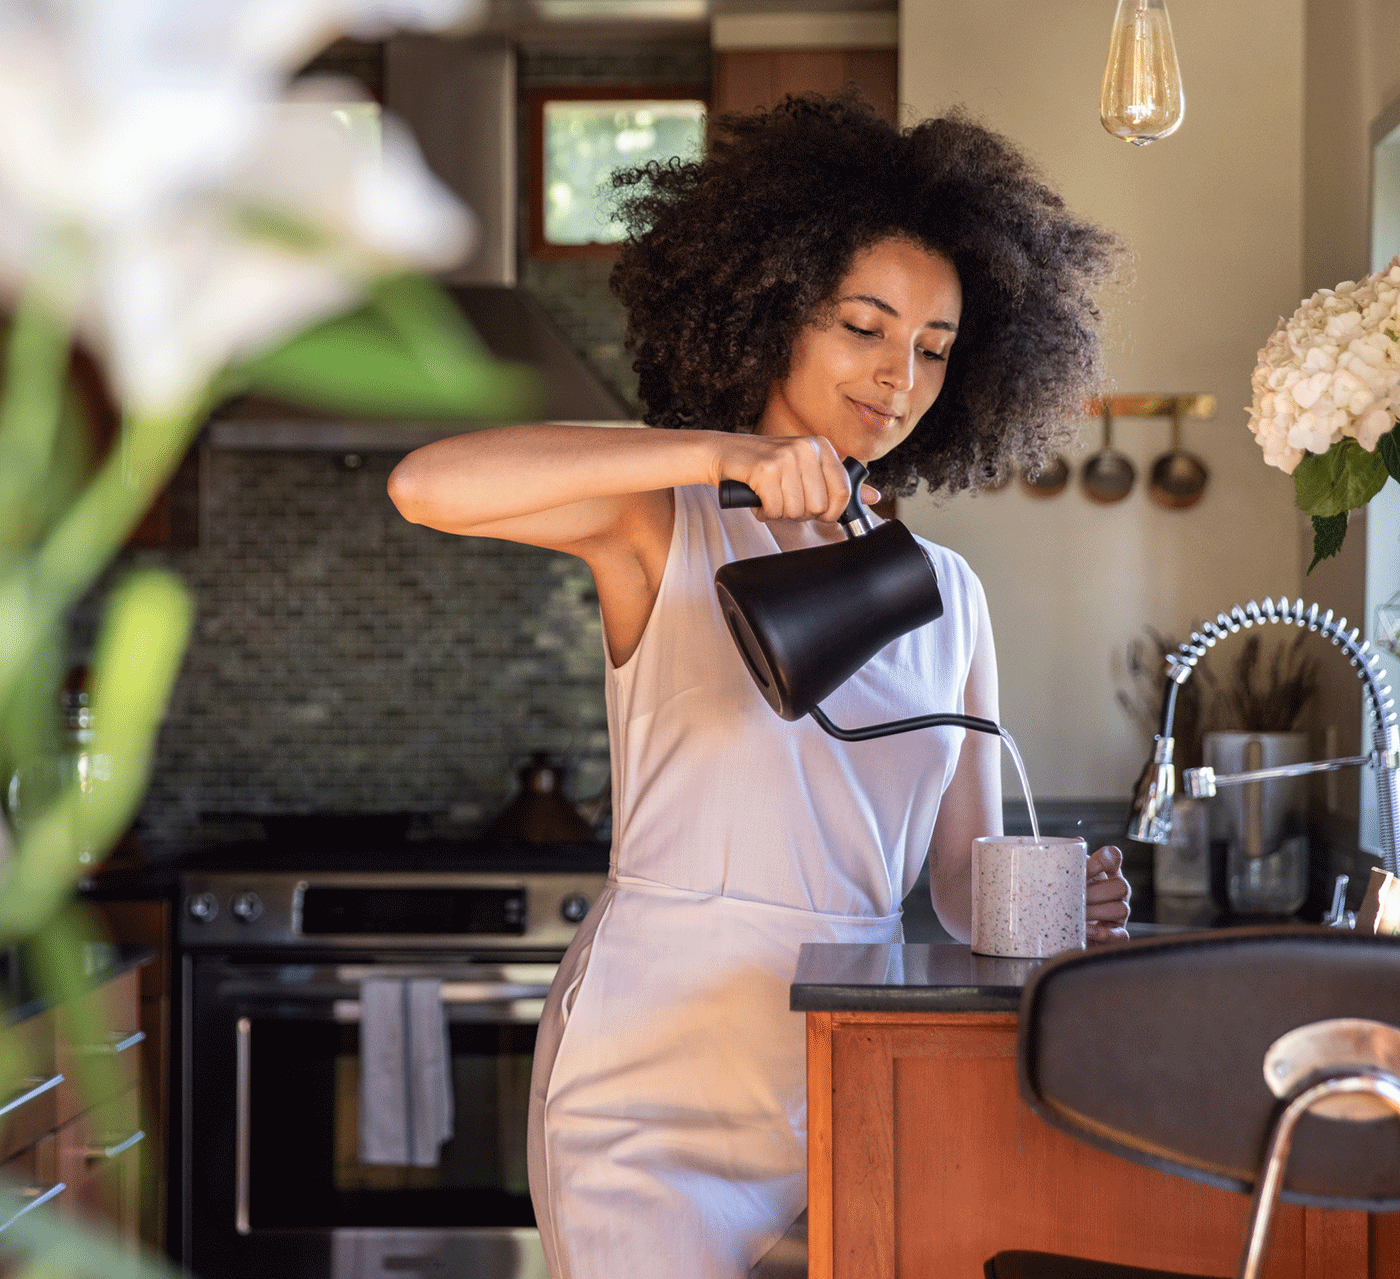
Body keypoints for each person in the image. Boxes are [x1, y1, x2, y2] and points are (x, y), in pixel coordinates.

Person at [388, 93, 1130, 1279]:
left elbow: (955, 883)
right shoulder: (662, 522)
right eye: (863, 326)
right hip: (647, 1082)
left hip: (843, 1069)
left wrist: (1052, 907)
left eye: (933, 348)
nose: (897, 376)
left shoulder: (945, 593)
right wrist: (721, 452)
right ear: (773, 307)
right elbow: (426, 485)